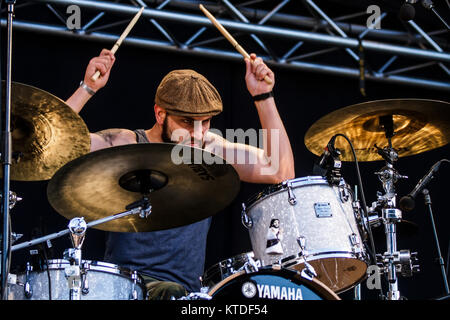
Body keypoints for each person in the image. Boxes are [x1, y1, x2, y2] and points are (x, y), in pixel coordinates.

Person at [65, 49, 295, 299]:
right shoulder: (127, 144)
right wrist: (87, 88)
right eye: (187, 122)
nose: (198, 132)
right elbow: (56, 143)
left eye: (205, 122)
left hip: (187, 294)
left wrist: (264, 96)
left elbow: (280, 171)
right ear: (160, 113)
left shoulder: (209, 148)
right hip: (124, 287)